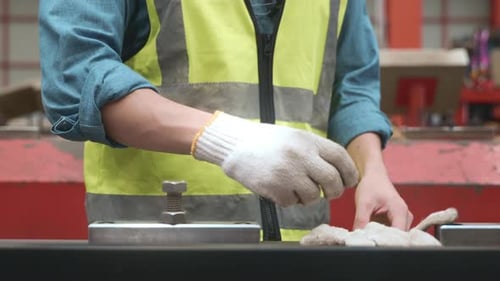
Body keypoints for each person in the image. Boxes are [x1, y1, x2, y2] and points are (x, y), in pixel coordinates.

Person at [38, 0, 413, 241]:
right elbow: (75, 77)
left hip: (299, 255)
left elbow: (351, 86)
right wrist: (229, 141)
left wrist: (373, 170)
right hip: (154, 252)